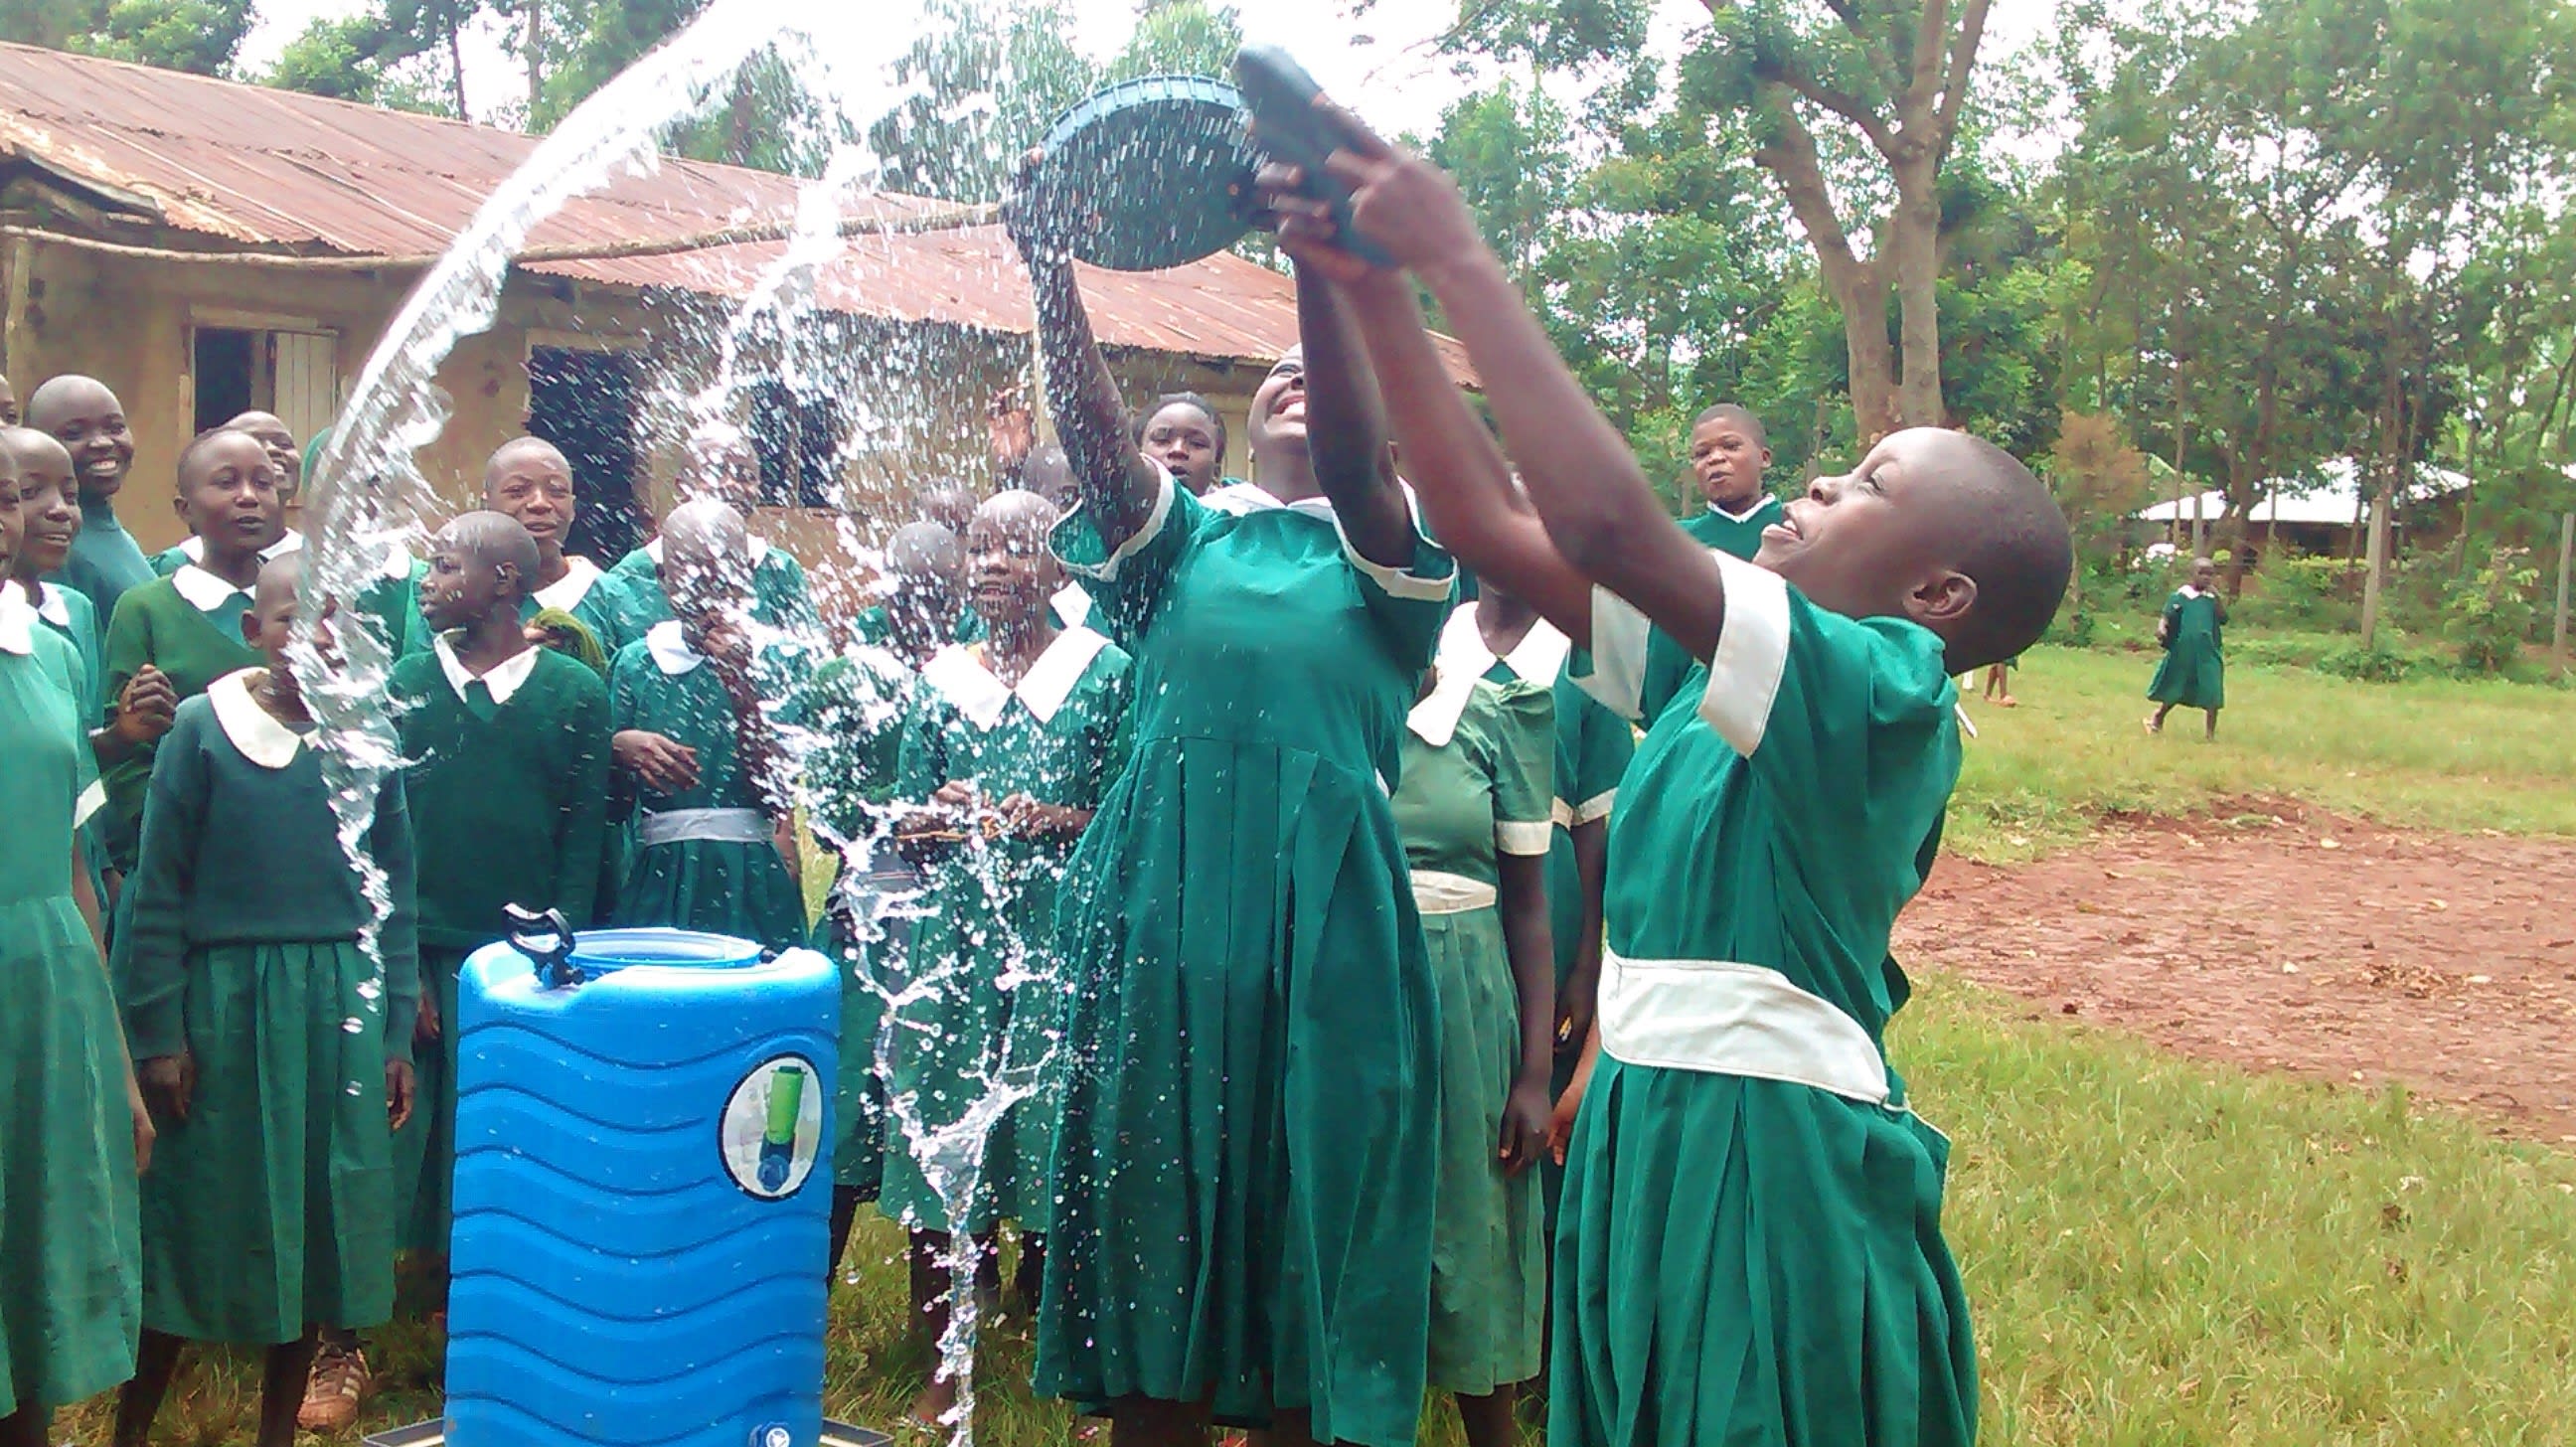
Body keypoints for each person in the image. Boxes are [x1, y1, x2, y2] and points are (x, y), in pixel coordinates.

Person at [1263, 106, 2071, 1447]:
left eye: (1867, 484)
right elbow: (1485, 525)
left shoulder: (1881, 692)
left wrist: (1460, 257)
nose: (1816, 479)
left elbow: (1597, 521)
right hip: (1656, 1113)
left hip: (1768, 1158)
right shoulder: (1719, 679)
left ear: (1936, 592)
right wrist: (1368, 286)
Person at [1011, 144, 1457, 1447]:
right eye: (1281, 375)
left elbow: (1367, 468)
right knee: (1158, 1186)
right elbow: (1099, 446)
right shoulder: (1182, 543)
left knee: (1313, 1183)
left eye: (1331, 375)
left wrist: (1317, 253)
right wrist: (1049, 265)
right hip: (1165, 904)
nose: (1303, 384)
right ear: (1242, 421)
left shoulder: (1392, 547)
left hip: (1326, 928)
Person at [110, 554, 419, 1447]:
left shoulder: (369, 735)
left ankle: (276, 1429)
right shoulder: (205, 730)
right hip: (225, 1005)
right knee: (196, 1209)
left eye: (337, 620)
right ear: (255, 630)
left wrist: (393, 1029)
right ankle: (133, 1422)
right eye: (293, 618)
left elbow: (393, 892)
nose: (316, 636)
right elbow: (157, 886)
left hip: (336, 1005)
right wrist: (157, 1032)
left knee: (321, 1219)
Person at [322, 513, 609, 1428]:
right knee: (385, 1143)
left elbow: (583, 838)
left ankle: (477, 1326)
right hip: (414, 954)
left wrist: (556, 958)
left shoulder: (574, 694)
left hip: (516, 966)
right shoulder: (406, 684)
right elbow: (373, 841)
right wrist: (398, 973)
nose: (426, 581)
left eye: (446, 566)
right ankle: (343, 1339)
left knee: (495, 1144)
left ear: (503, 585)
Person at [884, 490, 1131, 1426]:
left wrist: (1056, 819)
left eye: (1014, 550)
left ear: (1058, 566)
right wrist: (935, 817)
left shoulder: (1105, 674)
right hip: (959, 937)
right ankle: (946, 1357)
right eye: (978, 549)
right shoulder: (944, 678)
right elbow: (903, 824)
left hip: (1058, 933)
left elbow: (1124, 814)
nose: (989, 566)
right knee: (952, 1115)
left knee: (1062, 1126)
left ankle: (1080, 1363)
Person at [0, 443, 150, 1447]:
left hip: (43, 975)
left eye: (8, 497)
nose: (15, 512)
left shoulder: (47, 644)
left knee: (36, 1233)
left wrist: (116, 1060)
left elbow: (67, 857)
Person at [1387, 664, 1556, 1447]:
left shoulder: (1496, 713)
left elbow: (1528, 904)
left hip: (1466, 997)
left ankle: (1491, 1429)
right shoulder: (1339, 693)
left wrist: (1534, 1073)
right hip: (1353, 986)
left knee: (1469, 1215)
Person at [1431, 578, 1630, 1232]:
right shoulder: (1437, 634)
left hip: (1548, 899)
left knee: (1532, 1080)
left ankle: (1529, 1266)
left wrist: (1585, 965)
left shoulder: (1580, 658)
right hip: (1453, 896)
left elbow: (1596, 831)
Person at [802, 521, 964, 1287]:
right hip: (862, 915)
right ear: (887, 591)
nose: (923, 608)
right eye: (910, 592)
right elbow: (827, 807)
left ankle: (927, 1322)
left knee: (933, 1105)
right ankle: (807, 1295)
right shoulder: (847, 677)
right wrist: (906, 815)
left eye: (941, 593)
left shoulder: (973, 676)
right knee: (836, 1111)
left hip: (954, 921)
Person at [95, 429, 284, 926]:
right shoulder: (146, 609)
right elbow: (128, 757)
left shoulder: (302, 601)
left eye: (263, 483)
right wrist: (167, 843)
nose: (249, 496)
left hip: (290, 866)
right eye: (226, 483)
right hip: (184, 874)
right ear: (184, 509)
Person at [606, 500, 808, 950]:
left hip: (750, 877)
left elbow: (773, 795)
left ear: (749, 576)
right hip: (660, 878)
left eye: (725, 564)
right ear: (664, 580)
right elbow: (612, 808)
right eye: (690, 566)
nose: (708, 580)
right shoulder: (638, 663)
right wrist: (619, 748)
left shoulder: (777, 661)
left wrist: (742, 686)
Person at [609, 422, 817, 635]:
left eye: (746, 477)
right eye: (716, 471)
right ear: (682, 488)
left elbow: (810, 657)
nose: (732, 484)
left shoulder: (780, 571)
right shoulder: (628, 579)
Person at [27, 376, 151, 628]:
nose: (102, 442)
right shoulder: (55, 544)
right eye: (74, 433)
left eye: (115, 428)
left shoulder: (115, 533)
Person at [4, 426, 103, 715]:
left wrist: (122, 733)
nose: (61, 509)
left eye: (71, 496)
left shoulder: (76, 608)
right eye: (29, 493)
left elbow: (82, 739)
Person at [149, 412, 307, 578]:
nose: (273, 449)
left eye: (283, 444)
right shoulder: (173, 566)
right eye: (226, 482)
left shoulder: (320, 566)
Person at [2148, 557, 2225, 739]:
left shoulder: (2211, 599)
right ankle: (2159, 717)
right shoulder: (2181, 596)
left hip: (2208, 651)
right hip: (2184, 651)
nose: (2206, 578)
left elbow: (2223, 619)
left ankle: (2210, 735)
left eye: (2210, 574)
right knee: (2176, 687)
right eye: (2202, 573)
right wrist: (2162, 629)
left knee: (2212, 690)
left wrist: (2218, 598)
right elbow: (2166, 616)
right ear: (2192, 575)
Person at [1134, 393, 1230, 497]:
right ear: (1138, 452)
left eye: (1196, 443)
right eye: (1162, 440)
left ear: (1216, 466)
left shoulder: (1239, 509)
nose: (1178, 450)